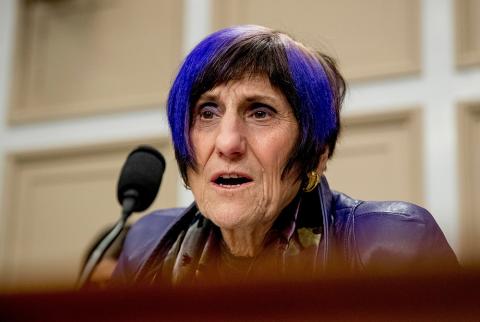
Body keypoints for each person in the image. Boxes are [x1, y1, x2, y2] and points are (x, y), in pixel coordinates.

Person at [112, 25, 458, 285]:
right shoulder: (148, 247)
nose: (228, 142)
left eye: (260, 112)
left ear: (317, 154)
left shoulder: (393, 244)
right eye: (207, 113)